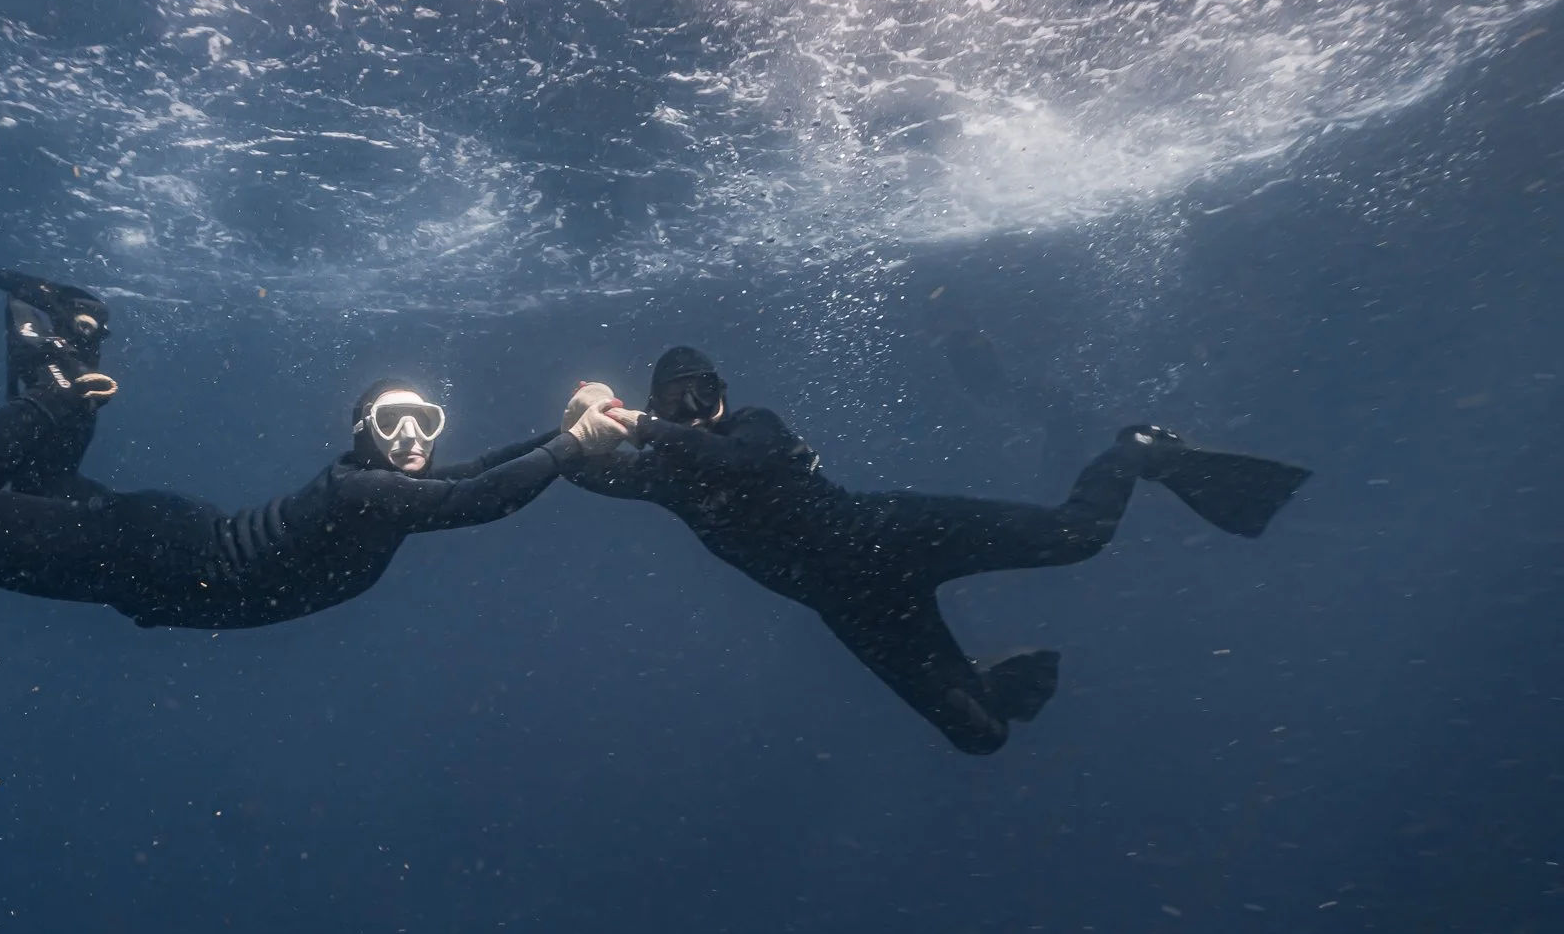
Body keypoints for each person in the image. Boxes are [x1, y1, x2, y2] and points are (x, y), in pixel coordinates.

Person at [562, 346, 1311, 755]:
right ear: (661, 405)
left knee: (1078, 535)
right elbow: (579, 471)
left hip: (893, 532)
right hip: (855, 608)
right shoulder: (664, 477)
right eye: (679, 400)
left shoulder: (756, 426)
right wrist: (577, 426)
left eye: (706, 393)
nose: (697, 410)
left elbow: (737, 464)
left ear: (724, 394)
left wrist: (632, 422)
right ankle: (977, 675)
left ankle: (1141, 449)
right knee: (979, 736)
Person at [0, 270, 633, 630]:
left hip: (159, 555)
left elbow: (472, 475)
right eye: (394, 422)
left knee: (35, 478)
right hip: (148, 555)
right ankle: (56, 391)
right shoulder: (358, 491)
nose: (412, 438)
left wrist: (561, 428)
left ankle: (76, 337)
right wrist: (576, 444)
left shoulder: (387, 499)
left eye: (425, 421)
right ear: (361, 434)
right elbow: (477, 499)